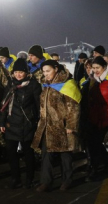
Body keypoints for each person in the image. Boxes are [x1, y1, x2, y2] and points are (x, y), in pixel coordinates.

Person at [32, 60, 81, 192]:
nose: (45, 74)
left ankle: (67, 180)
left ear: (56, 69)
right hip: (47, 126)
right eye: (44, 71)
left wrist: (71, 125)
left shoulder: (67, 84)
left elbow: (73, 107)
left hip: (63, 126)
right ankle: (46, 181)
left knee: (65, 155)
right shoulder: (45, 84)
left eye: (48, 71)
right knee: (46, 155)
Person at [0, 58, 42, 189]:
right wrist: (2, 122)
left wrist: (38, 121)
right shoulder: (10, 84)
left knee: (28, 154)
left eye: (21, 72)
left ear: (26, 73)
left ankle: (29, 179)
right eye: (16, 72)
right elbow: (4, 105)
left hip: (27, 125)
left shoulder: (33, 85)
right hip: (11, 125)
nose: (18, 74)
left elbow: (38, 105)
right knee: (11, 154)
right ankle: (15, 179)